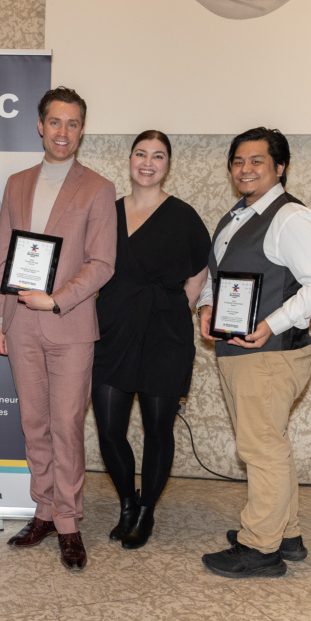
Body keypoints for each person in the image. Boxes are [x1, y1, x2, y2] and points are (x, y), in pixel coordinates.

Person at [198, 127, 311, 578]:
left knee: (261, 450)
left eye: (257, 161)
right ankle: (287, 533)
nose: (245, 169)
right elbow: (217, 274)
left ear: (279, 167)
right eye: (238, 161)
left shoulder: (290, 218)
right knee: (271, 447)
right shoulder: (238, 215)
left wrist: (272, 323)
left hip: (269, 356)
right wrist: (207, 304)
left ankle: (260, 549)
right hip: (242, 356)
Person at [0, 87, 116, 572]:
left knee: (66, 425)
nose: (63, 132)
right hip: (21, 325)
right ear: (40, 126)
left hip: (71, 326)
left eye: (73, 123)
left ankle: (68, 519)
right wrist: (5, 317)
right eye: (55, 122)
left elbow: (102, 263)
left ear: (82, 130)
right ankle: (42, 509)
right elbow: (2, 256)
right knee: (33, 424)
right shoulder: (17, 183)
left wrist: (56, 299)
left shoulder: (98, 188)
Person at [91, 131, 211, 549]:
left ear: (168, 164)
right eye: (141, 154)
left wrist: (182, 308)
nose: (148, 162)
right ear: (130, 161)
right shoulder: (107, 210)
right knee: (109, 429)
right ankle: (127, 501)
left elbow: (200, 270)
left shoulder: (184, 216)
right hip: (113, 330)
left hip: (165, 334)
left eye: (157, 156)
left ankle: (146, 512)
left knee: (159, 430)